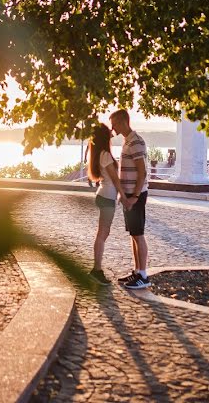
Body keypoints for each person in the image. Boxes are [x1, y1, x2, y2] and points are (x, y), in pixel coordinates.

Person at [109, 109, 150, 289]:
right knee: (133, 234)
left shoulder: (136, 142)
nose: (113, 128)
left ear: (124, 121)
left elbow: (142, 172)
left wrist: (134, 196)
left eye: (115, 123)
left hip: (136, 196)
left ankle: (143, 275)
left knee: (138, 234)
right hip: (128, 196)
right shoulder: (127, 141)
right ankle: (136, 271)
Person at [86, 124, 125, 286]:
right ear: (104, 137)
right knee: (102, 234)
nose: (111, 133)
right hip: (107, 197)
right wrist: (124, 197)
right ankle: (96, 270)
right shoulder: (106, 155)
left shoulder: (100, 154)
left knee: (103, 233)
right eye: (108, 133)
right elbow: (115, 180)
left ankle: (96, 269)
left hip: (104, 195)